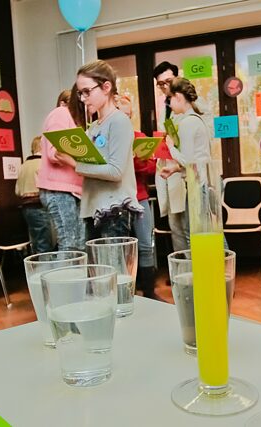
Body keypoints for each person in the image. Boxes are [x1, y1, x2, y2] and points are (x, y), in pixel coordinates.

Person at [58, 60, 143, 238]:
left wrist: (74, 164)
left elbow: (115, 171)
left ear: (106, 87)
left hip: (114, 209)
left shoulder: (119, 121)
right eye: (80, 93)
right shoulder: (94, 126)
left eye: (87, 91)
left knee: (113, 257)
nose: (83, 98)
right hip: (93, 207)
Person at [157, 77, 217, 252]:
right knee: (207, 235)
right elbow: (194, 159)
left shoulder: (187, 122)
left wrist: (170, 146)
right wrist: (175, 169)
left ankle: (208, 269)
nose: (169, 105)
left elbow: (187, 160)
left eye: (170, 99)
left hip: (197, 186)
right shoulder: (196, 119)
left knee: (199, 237)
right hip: (201, 183)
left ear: (177, 97)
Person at [116, 96, 160, 299]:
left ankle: (150, 292)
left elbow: (152, 167)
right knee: (122, 249)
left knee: (145, 245)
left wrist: (136, 161)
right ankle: (126, 294)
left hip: (139, 197)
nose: (125, 118)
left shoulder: (139, 137)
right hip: (117, 200)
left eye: (128, 115)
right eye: (121, 114)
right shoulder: (109, 137)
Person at [38, 90, 85, 251]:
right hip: (59, 189)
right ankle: (64, 269)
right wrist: (81, 163)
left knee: (79, 245)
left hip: (74, 190)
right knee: (69, 243)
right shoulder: (61, 113)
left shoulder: (75, 121)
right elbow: (55, 152)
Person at [17, 136, 55, 254]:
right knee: (44, 244)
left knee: (37, 241)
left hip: (26, 208)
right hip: (39, 206)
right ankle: (45, 265)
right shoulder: (43, 164)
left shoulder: (23, 166)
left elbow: (17, 191)